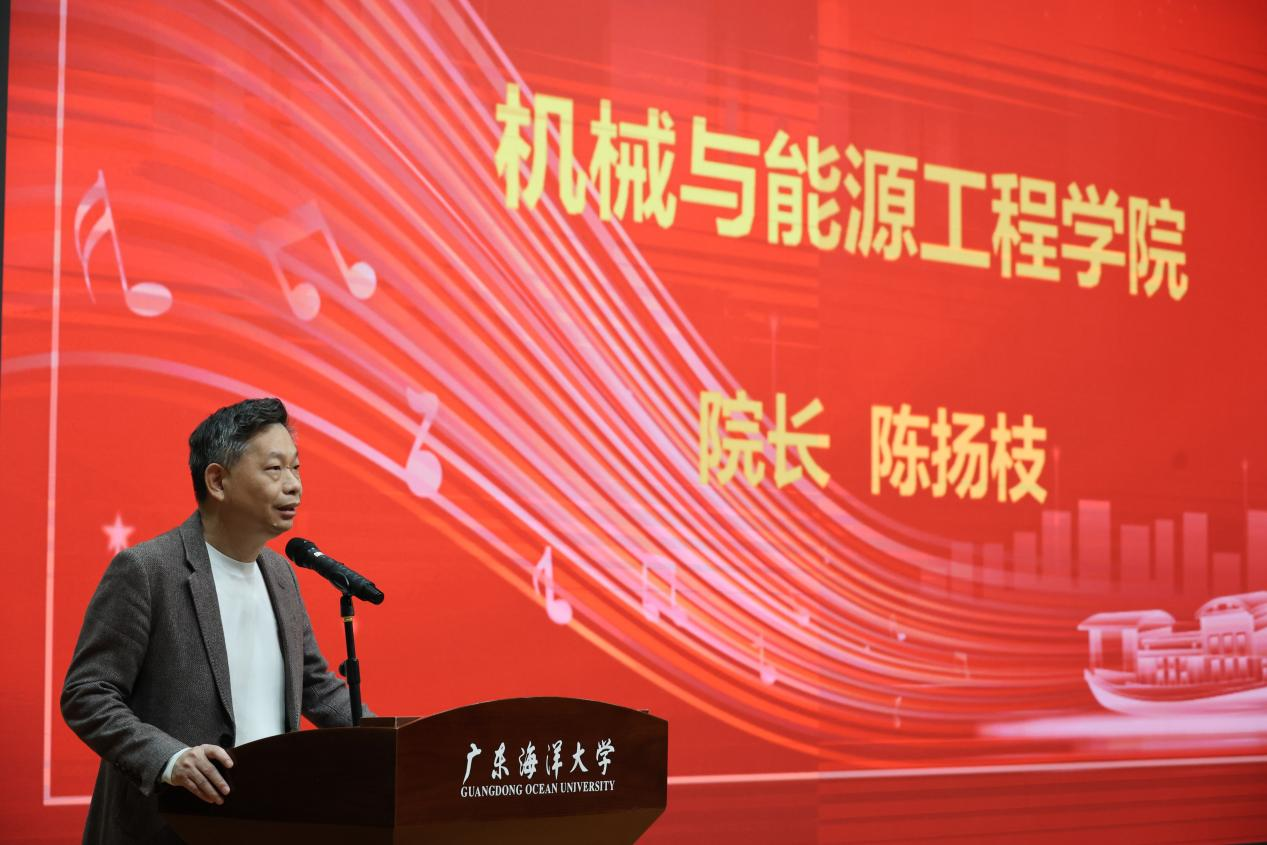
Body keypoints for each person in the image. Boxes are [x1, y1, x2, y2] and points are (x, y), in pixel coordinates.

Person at [62, 397, 366, 844]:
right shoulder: (147, 571)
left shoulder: (280, 574)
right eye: (275, 469)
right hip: (167, 828)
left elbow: (316, 687)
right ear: (218, 481)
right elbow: (87, 694)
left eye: (296, 468)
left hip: (265, 822)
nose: (294, 485)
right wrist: (170, 760)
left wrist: (396, 745)